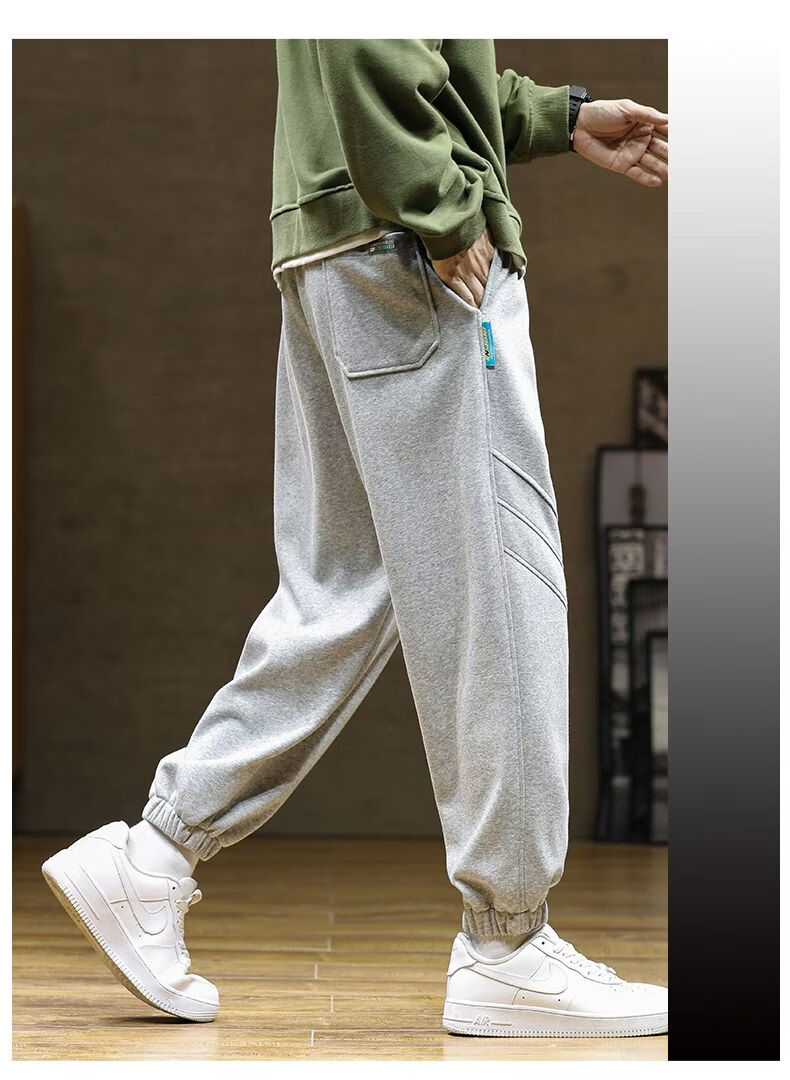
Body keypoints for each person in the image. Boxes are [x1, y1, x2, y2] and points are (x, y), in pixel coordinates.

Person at [42, 39, 669, 1037]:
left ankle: (154, 856)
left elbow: (423, 58)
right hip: (407, 247)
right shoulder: (426, 212)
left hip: (338, 247)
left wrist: (555, 116)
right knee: (499, 584)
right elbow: (371, 37)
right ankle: (509, 944)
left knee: (352, 583)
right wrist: (441, 205)